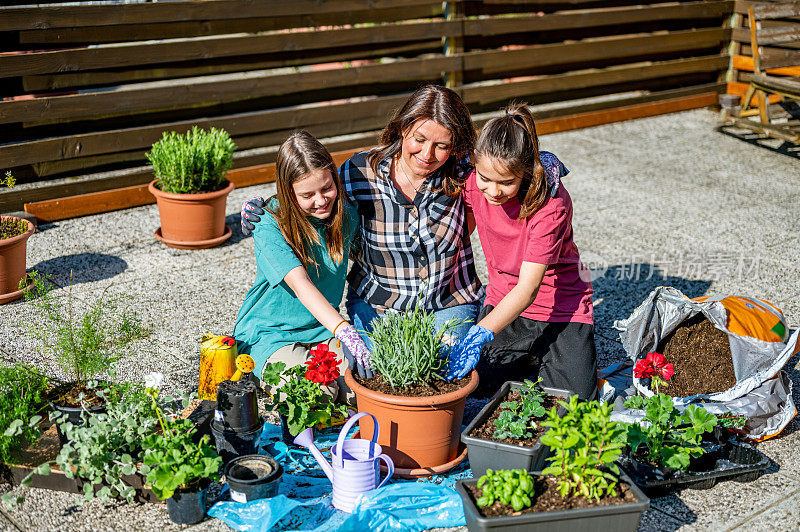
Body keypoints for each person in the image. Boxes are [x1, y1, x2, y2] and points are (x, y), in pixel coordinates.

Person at [243, 84, 484, 347]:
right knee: (381, 372)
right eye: (420, 139)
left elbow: (509, 175)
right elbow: (310, 189)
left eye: (441, 145)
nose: (427, 155)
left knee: (440, 365)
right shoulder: (359, 173)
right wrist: (264, 206)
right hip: (379, 305)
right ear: (404, 128)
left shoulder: (464, 173)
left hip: (448, 302)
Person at [444, 102, 599, 400]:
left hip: (560, 307)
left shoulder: (550, 204)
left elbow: (528, 289)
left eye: (507, 182)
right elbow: (462, 230)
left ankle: (545, 354)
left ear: (526, 171)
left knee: (575, 404)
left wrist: (479, 334)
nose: (493, 191)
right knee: (478, 385)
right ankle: (530, 356)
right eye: (486, 178)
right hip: (504, 299)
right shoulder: (474, 184)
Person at [233, 131, 372, 405]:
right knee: (315, 394)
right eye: (307, 195)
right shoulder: (268, 222)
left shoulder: (346, 216)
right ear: (288, 192)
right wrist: (346, 331)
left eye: (326, 188)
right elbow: (301, 284)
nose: (321, 201)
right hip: (271, 333)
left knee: (362, 388)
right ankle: (257, 368)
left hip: (320, 329)